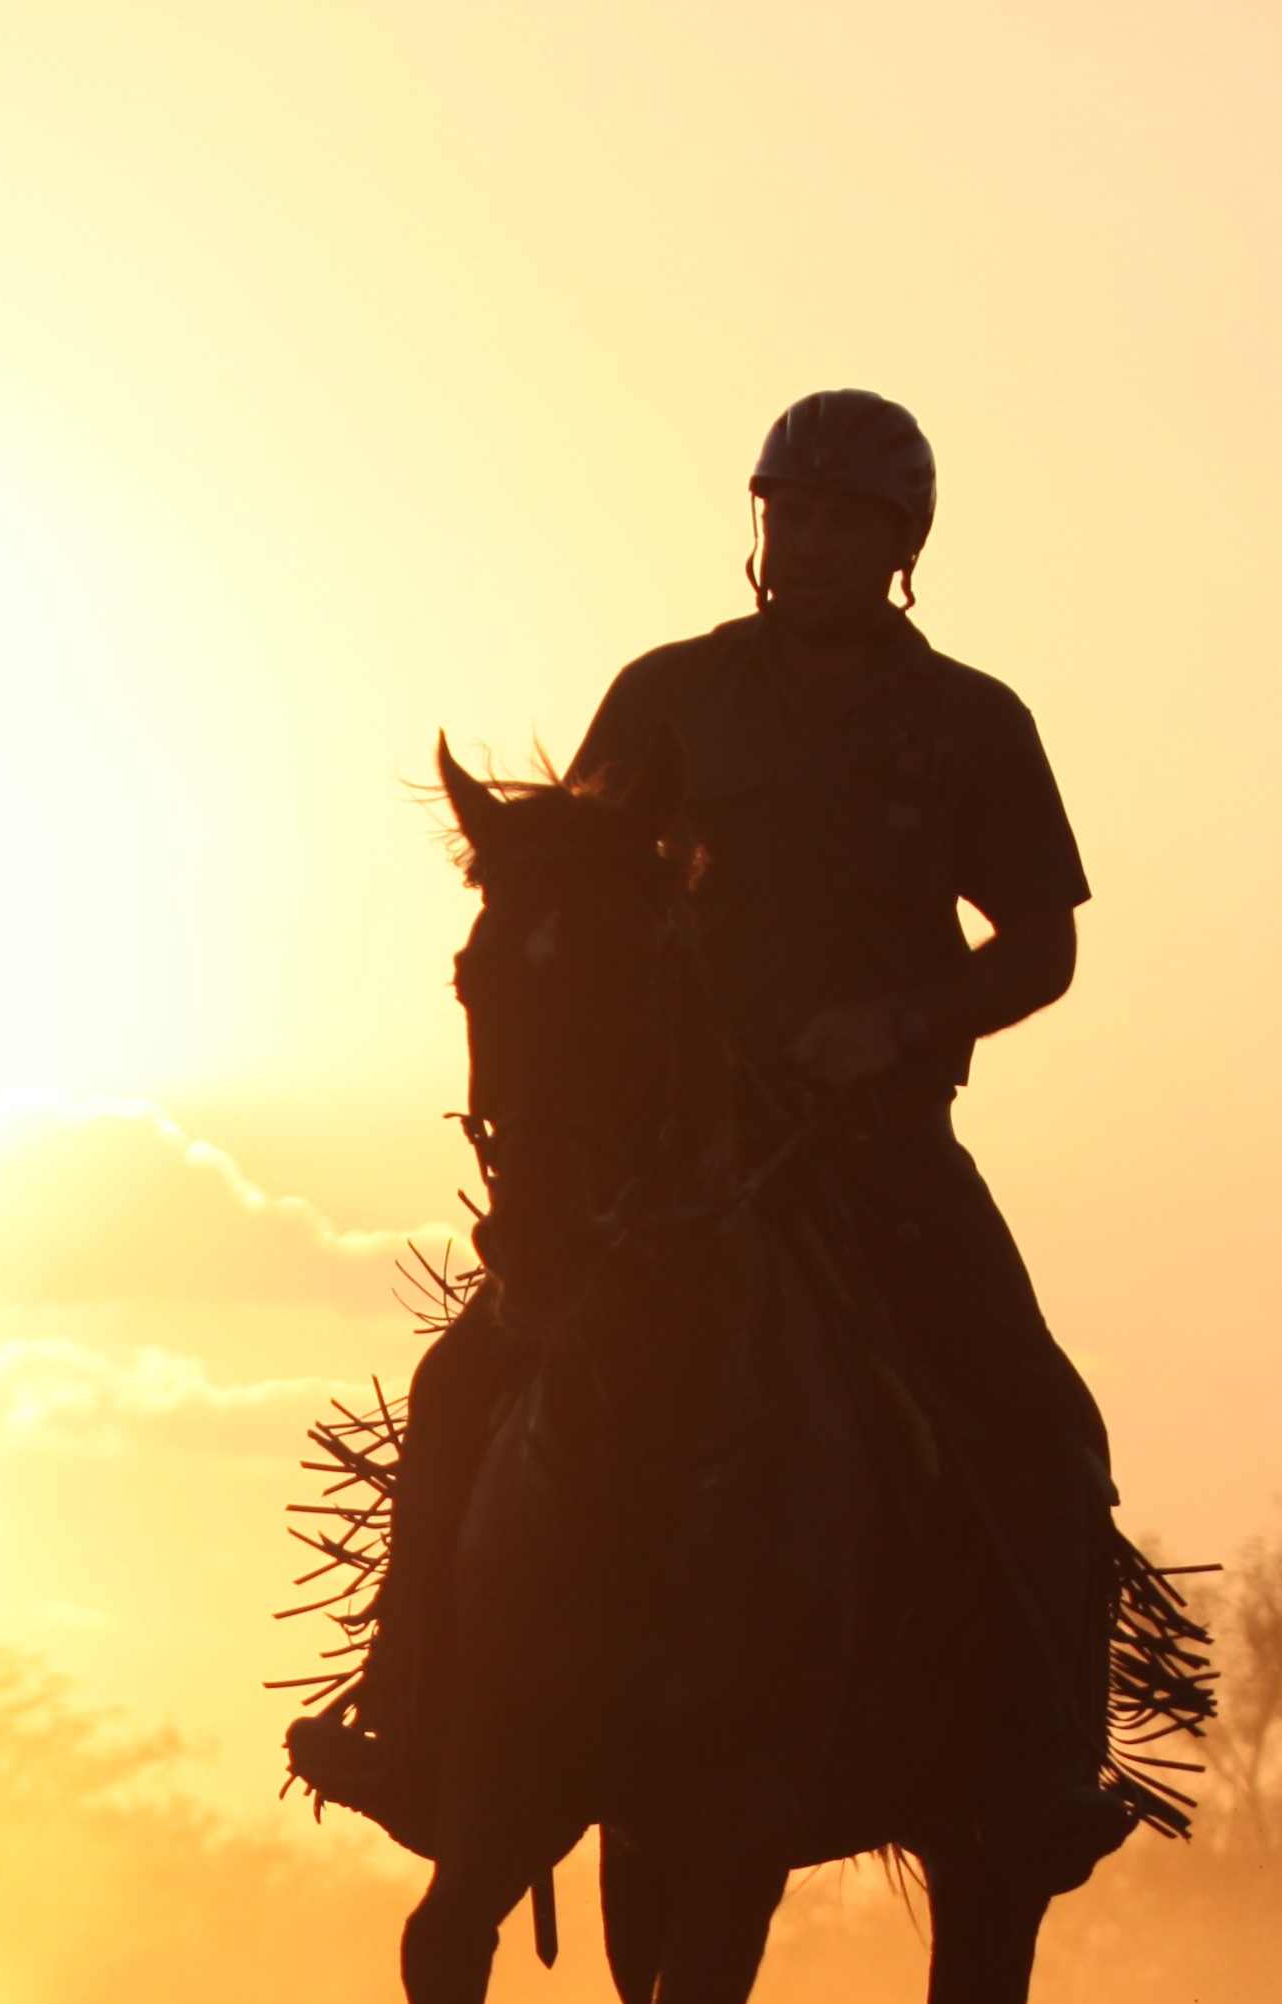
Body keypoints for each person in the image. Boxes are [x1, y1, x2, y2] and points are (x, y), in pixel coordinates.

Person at [287, 388, 1123, 1871]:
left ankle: (1049, 1755)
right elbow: (575, 881)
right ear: (761, 525)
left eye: (844, 521)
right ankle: (407, 1718)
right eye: (790, 513)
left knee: (1047, 1426)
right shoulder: (668, 692)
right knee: (463, 1384)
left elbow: (1042, 947)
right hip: (668, 1160)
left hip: (878, 1148)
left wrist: (898, 1024)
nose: (809, 542)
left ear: (899, 546)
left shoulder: (971, 722)